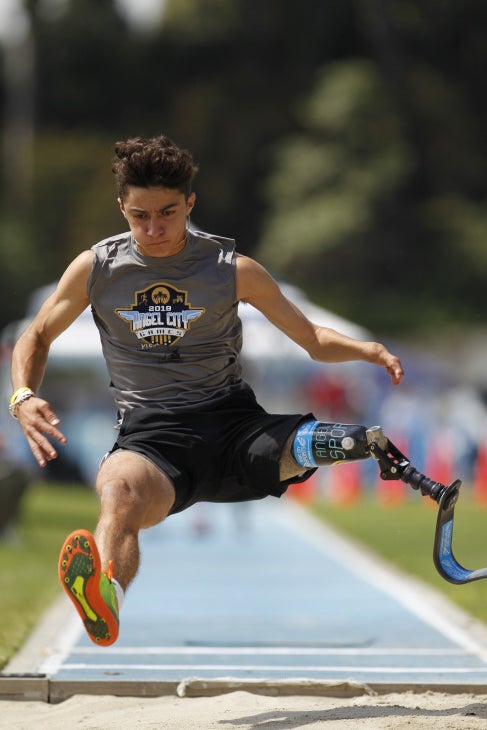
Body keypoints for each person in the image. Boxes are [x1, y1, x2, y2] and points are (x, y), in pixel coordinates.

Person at [10, 134, 404, 647]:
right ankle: (107, 599)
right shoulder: (97, 268)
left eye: (167, 213)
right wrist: (22, 394)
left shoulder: (231, 269)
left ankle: (347, 443)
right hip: (152, 437)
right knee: (118, 492)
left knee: (314, 441)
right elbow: (36, 335)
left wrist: (366, 350)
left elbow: (312, 339)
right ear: (121, 208)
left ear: (190, 204)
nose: (153, 228)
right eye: (139, 215)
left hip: (232, 424)